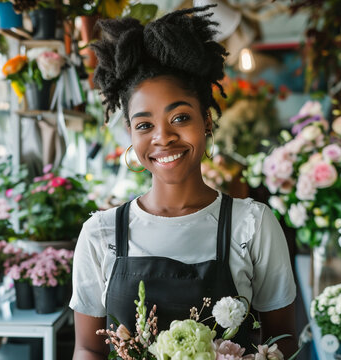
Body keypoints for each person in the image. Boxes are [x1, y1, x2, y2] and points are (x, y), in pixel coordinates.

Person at [70, 6, 297, 359]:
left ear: (206, 120)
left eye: (180, 117)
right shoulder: (100, 234)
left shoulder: (252, 225)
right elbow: (88, 348)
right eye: (144, 125)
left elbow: (284, 338)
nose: (163, 137)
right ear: (130, 132)